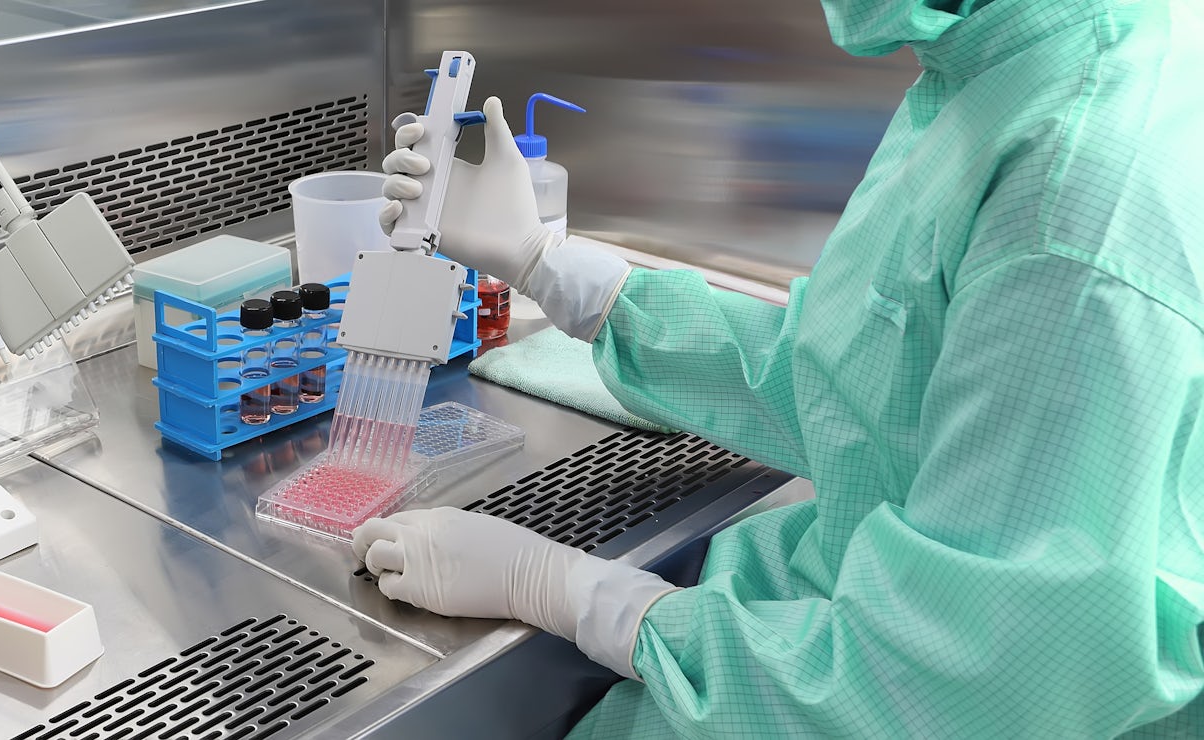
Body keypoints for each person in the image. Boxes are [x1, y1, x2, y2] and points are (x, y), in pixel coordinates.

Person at [352, 0, 1204, 736]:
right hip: (840, 616)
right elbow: (866, 382)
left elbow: (943, 695)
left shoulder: (1073, 192)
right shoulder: (1004, 61)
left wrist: (569, 592)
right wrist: (553, 270)